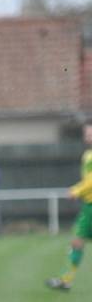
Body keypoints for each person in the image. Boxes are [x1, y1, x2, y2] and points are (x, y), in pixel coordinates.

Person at [46, 123, 92, 291]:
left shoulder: (90, 156)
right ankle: (66, 279)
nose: (87, 136)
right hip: (88, 205)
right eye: (86, 133)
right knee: (77, 241)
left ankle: (66, 280)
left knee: (77, 241)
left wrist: (76, 190)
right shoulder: (88, 154)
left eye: (90, 133)